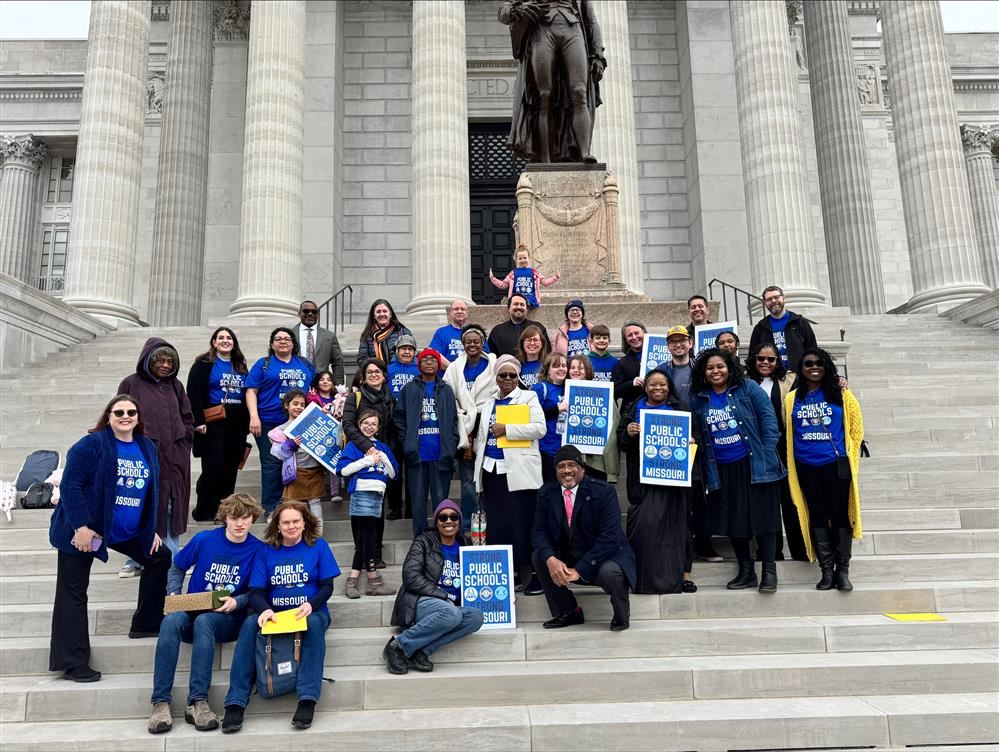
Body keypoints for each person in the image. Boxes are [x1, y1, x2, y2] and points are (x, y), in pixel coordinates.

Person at [49, 395, 171, 683]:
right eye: (119, 412)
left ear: (138, 417)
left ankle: (146, 623)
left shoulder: (146, 447)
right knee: (73, 592)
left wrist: (150, 528)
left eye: (131, 412)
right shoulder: (92, 444)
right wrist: (80, 525)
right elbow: (71, 485)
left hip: (123, 530)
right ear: (109, 416)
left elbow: (151, 492)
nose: (125, 416)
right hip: (84, 530)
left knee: (160, 557)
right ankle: (72, 662)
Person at [221, 500, 340, 733]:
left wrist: (310, 604)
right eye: (285, 522)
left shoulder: (318, 546)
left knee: (315, 625)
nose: (291, 526)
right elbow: (256, 591)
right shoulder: (266, 550)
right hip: (275, 615)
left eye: (296, 521)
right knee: (248, 624)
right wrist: (264, 609)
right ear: (277, 525)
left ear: (305, 523)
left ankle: (307, 699)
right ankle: (235, 702)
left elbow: (327, 587)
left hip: (309, 612)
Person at [148, 493, 264, 734]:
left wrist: (237, 601)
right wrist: (173, 593)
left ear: (253, 519)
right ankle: (160, 702)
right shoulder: (204, 540)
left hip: (227, 618)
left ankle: (197, 701)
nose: (240, 523)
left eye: (246, 517)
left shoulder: (258, 549)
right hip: (193, 608)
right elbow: (177, 567)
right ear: (225, 519)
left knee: (205, 621)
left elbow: (257, 591)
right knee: (171, 621)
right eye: (234, 518)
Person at [690, 349, 785, 593]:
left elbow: (769, 421)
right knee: (735, 520)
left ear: (729, 366)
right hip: (721, 468)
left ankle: (769, 571)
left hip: (754, 464)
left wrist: (765, 451)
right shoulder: (699, 397)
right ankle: (746, 571)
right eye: (710, 368)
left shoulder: (748, 387)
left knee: (763, 519)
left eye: (719, 366)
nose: (715, 371)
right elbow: (699, 432)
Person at [785, 348, 865, 591]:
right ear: (801, 368)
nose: (813, 367)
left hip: (835, 463)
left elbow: (856, 428)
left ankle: (843, 571)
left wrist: (849, 455)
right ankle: (826, 571)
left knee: (840, 515)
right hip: (806, 465)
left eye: (819, 363)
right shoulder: (792, 398)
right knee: (817, 515)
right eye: (808, 363)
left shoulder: (841, 393)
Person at [531, 445, 636, 630]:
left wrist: (580, 570)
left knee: (610, 572)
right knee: (540, 557)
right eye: (561, 466)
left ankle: (621, 613)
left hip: (604, 556)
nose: (566, 471)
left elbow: (610, 538)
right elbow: (538, 531)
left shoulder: (604, 492)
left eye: (571, 465)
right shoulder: (546, 492)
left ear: (582, 468)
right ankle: (568, 612)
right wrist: (551, 558)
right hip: (570, 554)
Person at [117, 337, 193, 575]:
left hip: (175, 458)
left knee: (171, 506)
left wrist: (185, 440)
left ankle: (172, 557)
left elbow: (187, 416)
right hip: (144, 456)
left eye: (170, 361)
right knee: (142, 505)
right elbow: (120, 415)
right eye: (160, 360)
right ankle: (137, 557)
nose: (165, 365)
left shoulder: (176, 386)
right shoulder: (131, 383)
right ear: (148, 359)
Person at [383, 500, 485, 674]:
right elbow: (410, 577)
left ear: (459, 521)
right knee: (451, 614)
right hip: (420, 601)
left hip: (449, 607)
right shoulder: (423, 542)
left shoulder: (466, 546)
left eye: (453, 517)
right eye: (443, 517)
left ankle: (422, 650)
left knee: (476, 617)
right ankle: (398, 645)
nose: (448, 521)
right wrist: (443, 596)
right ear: (436, 522)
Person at [498, 0, 605, 164]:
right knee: (544, 96)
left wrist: (598, 53)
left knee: (579, 92)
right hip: (543, 31)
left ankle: (584, 153)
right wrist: (516, 10)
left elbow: (591, 21)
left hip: (573, 29)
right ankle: (545, 160)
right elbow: (503, 12)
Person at [473, 355, 546, 588]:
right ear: (496, 377)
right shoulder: (488, 402)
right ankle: (510, 571)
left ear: (518, 377)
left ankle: (532, 574)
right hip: (491, 470)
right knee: (499, 525)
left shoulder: (528, 397)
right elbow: (483, 437)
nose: (507, 379)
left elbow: (540, 428)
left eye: (511, 375)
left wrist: (508, 429)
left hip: (519, 471)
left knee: (521, 522)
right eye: (502, 375)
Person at [618, 370, 693, 595]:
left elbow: (696, 436)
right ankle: (641, 577)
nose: (657, 388)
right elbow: (620, 443)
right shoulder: (633, 409)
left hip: (674, 482)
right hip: (642, 482)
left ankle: (682, 576)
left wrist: (690, 440)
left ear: (669, 386)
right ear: (645, 387)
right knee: (643, 529)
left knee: (677, 529)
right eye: (652, 385)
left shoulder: (680, 409)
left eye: (662, 384)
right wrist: (629, 433)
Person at [746, 343, 807, 562]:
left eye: (771, 359)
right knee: (764, 502)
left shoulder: (789, 381)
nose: (765, 363)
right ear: (754, 359)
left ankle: (799, 550)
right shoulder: (745, 383)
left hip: (783, 446)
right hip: (755, 448)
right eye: (761, 358)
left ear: (777, 361)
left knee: (789, 500)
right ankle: (770, 552)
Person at [245, 328, 315, 517]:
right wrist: (254, 416)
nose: (283, 341)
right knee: (272, 463)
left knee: (299, 463)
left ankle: (296, 506)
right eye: (278, 339)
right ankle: (272, 508)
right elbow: (251, 391)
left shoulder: (305, 364)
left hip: (299, 422)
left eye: (287, 338)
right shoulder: (264, 364)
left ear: (293, 343)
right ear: (272, 343)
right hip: (269, 421)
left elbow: (313, 391)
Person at [394, 348, 461, 538]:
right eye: (425, 360)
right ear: (419, 364)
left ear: (439, 365)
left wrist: (452, 443)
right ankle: (421, 541)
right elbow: (399, 418)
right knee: (418, 502)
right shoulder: (410, 388)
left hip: (441, 455)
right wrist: (407, 442)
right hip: (417, 454)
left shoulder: (446, 389)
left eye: (433, 360)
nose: (429, 363)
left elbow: (454, 420)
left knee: (441, 502)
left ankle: (443, 540)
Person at [186, 327, 250, 523]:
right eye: (220, 337)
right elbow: (194, 392)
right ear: (214, 342)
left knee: (230, 468)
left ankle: (224, 511)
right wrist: (198, 421)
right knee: (213, 464)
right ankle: (204, 509)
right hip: (212, 422)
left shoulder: (239, 365)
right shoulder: (204, 363)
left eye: (229, 337)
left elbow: (247, 393)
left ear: (234, 342)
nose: (225, 340)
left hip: (236, 423)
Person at [337, 410, 398, 597]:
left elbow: (393, 473)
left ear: (378, 428)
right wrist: (368, 460)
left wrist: (382, 456)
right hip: (362, 493)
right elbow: (342, 470)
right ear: (359, 424)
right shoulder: (353, 446)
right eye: (365, 423)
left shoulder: (383, 447)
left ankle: (355, 581)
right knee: (368, 538)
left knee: (366, 539)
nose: (369, 426)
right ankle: (370, 581)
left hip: (378, 497)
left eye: (373, 424)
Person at [342, 358, 401, 552]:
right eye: (370, 372)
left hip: (381, 455)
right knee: (360, 506)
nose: (374, 375)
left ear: (384, 375)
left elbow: (393, 427)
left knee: (378, 505)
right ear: (364, 377)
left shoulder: (390, 397)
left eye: (378, 371)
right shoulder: (355, 397)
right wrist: (368, 446)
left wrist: (387, 451)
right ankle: (361, 551)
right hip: (359, 453)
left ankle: (376, 551)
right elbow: (348, 425)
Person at [442, 323, 497, 529]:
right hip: (464, 428)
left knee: (488, 478)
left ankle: (489, 521)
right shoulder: (454, 368)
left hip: (488, 426)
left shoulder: (494, 364)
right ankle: (468, 524)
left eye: (476, 341)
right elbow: (448, 395)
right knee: (467, 480)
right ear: (462, 344)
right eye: (468, 342)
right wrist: (463, 417)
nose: (472, 345)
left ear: (483, 343)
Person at [269, 390, 326, 530]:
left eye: (302, 404)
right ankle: (292, 530)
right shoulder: (280, 431)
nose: (299, 407)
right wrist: (290, 445)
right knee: (293, 504)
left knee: (315, 502)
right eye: (295, 403)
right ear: (286, 405)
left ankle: (317, 533)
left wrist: (325, 420)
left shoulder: (314, 423)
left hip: (315, 469)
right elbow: (277, 453)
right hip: (295, 472)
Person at [567, 353, 619, 482]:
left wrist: (611, 470)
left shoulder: (603, 393)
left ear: (588, 371)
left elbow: (613, 429)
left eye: (581, 368)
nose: (576, 371)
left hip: (596, 461)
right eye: (572, 367)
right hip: (570, 459)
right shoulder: (563, 394)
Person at [749, 285, 817, 370]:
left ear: (783, 298)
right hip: (772, 377)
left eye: (776, 297)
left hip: (798, 376)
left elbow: (813, 351)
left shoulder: (800, 322)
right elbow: (752, 356)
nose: (773, 301)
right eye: (769, 299)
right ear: (765, 303)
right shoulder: (760, 327)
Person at [533, 352, 569, 483]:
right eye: (556, 366)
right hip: (547, 449)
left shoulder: (571, 387)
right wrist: (556, 409)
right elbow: (532, 415)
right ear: (548, 370)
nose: (561, 369)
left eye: (564, 365)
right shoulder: (541, 388)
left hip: (567, 449)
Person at [488, 245, 561, 308]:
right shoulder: (513, 273)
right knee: (517, 301)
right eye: (520, 258)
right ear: (516, 260)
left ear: (529, 258)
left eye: (525, 258)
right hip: (516, 298)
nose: (523, 260)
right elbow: (503, 285)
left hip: (530, 298)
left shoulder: (534, 272)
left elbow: (545, 282)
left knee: (526, 301)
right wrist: (493, 279)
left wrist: (555, 277)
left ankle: (525, 304)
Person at [295, 299, 345, 385]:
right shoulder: (289, 335)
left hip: (321, 386)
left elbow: (337, 362)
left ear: (318, 315)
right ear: (299, 313)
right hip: (295, 383)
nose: (310, 314)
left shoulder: (329, 336)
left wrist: (338, 386)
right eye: (306, 311)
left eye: (314, 312)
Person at [486, 293, 551, 357]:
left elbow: (547, 351)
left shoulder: (538, 327)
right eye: (516, 304)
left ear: (527, 309)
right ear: (508, 308)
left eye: (522, 305)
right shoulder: (497, 331)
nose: (519, 307)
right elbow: (491, 356)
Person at [429, 299, 489, 366]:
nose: (459, 311)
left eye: (462, 309)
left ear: (467, 312)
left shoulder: (476, 333)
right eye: (456, 309)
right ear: (451, 312)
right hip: (447, 374)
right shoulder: (441, 332)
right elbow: (434, 354)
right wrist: (453, 370)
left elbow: (485, 355)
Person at [357, 298, 413, 367]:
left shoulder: (403, 332)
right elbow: (362, 359)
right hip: (376, 375)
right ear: (374, 316)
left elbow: (411, 355)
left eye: (385, 311)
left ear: (390, 314)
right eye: (378, 312)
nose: (382, 314)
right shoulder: (367, 336)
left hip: (397, 375)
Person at [611, 320, 646, 406]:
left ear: (644, 332)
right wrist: (632, 383)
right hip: (632, 411)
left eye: (637, 333)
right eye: (630, 335)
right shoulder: (622, 363)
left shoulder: (663, 357)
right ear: (626, 340)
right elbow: (614, 390)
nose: (634, 337)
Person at [664, 324, 694, 408]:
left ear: (690, 343)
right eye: (673, 342)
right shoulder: (660, 371)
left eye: (682, 340)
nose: (678, 345)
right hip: (674, 419)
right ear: (667, 347)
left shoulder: (701, 368)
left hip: (698, 418)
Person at [516, 323, 551, 389]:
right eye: (528, 340)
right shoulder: (516, 365)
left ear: (541, 344)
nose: (532, 343)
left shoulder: (549, 364)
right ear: (522, 344)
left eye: (535, 340)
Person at [387, 333, 420, 398]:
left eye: (410, 349)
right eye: (404, 348)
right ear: (397, 351)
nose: (407, 352)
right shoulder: (388, 369)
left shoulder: (419, 369)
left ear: (414, 353)